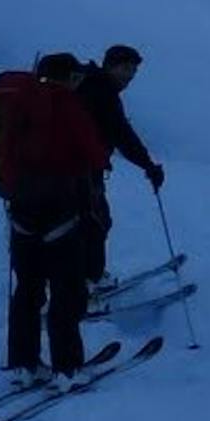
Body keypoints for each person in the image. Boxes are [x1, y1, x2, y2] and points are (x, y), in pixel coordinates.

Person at [0, 52, 108, 385]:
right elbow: (95, 152)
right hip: (61, 210)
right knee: (66, 290)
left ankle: (23, 363)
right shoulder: (68, 107)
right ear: (68, 77)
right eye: (76, 75)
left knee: (28, 288)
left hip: (21, 208)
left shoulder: (19, 103)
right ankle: (67, 368)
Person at [75, 42, 164, 284]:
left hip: (71, 167)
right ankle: (89, 281)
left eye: (133, 71)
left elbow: (120, 133)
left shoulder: (89, 84)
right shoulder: (101, 92)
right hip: (80, 170)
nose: (130, 76)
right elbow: (122, 134)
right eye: (125, 69)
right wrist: (148, 165)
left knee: (79, 223)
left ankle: (75, 278)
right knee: (95, 222)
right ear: (110, 66)